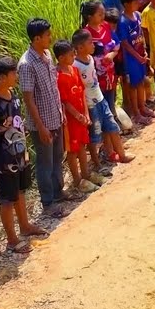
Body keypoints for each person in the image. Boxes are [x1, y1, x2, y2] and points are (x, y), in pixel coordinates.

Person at [0, 56, 47, 255]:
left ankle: (25, 226)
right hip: (3, 160)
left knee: (20, 191)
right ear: (2, 77)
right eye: (13, 73)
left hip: (20, 154)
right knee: (7, 199)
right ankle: (11, 239)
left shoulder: (13, 95)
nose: (16, 76)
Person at [19, 19, 66, 218]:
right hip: (42, 124)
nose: (50, 38)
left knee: (57, 157)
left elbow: (53, 87)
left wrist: (60, 112)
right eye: (47, 35)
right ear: (36, 38)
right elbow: (28, 99)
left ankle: (58, 192)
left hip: (55, 116)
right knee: (45, 163)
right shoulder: (26, 64)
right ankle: (48, 202)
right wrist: (40, 126)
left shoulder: (46, 55)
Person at [73, 29, 130, 171]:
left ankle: (121, 154)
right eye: (90, 42)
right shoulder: (75, 66)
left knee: (112, 126)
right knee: (95, 135)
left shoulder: (91, 59)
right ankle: (97, 164)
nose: (94, 45)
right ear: (80, 47)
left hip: (100, 98)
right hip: (90, 104)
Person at [55, 40, 99, 197]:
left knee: (82, 145)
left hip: (81, 116)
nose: (74, 55)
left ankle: (86, 174)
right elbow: (65, 101)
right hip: (71, 120)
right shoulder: (58, 76)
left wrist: (85, 114)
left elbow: (81, 92)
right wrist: (78, 115)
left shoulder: (74, 70)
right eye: (70, 54)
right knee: (72, 150)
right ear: (61, 58)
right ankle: (78, 180)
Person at [100, 0, 137, 123]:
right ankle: (120, 106)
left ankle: (130, 103)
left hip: (130, 33)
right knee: (119, 73)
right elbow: (107, 17)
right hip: (116, 38)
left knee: (128, 71)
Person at [117, 0, 154, 124]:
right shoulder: (123, 21)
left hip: (140, 55)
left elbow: (141, 35)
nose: (138, 4)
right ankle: (136, 113)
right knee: (133, 85)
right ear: (126, 4)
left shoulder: (137, 15)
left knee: (141, 82)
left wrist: (144, 52)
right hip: (131, 58)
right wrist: (137, 56)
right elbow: (125, 44)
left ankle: (143, 107)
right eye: (135, 2)